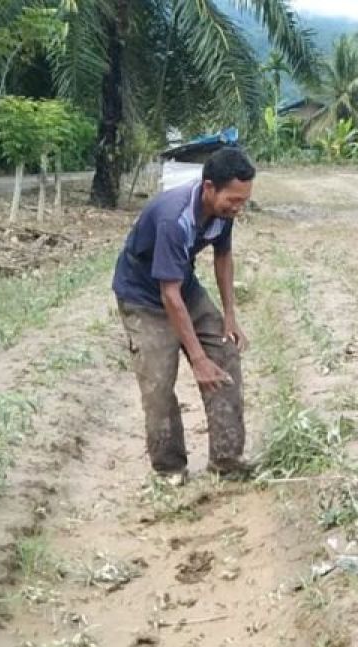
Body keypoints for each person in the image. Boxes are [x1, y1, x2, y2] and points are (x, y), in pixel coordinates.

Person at [112, 147, 256, 481]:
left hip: (182, 286)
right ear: (209, 187)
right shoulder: (174, 219)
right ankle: (169, 467)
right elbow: (169, 297)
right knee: (159, 381)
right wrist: (197, 358)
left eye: (243, 201)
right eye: (233, 200)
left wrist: (230, 316)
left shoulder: (223, 214)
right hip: (143, 297)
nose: (238, 207)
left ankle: (226, 459)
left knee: (225, 354)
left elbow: (223, 257)